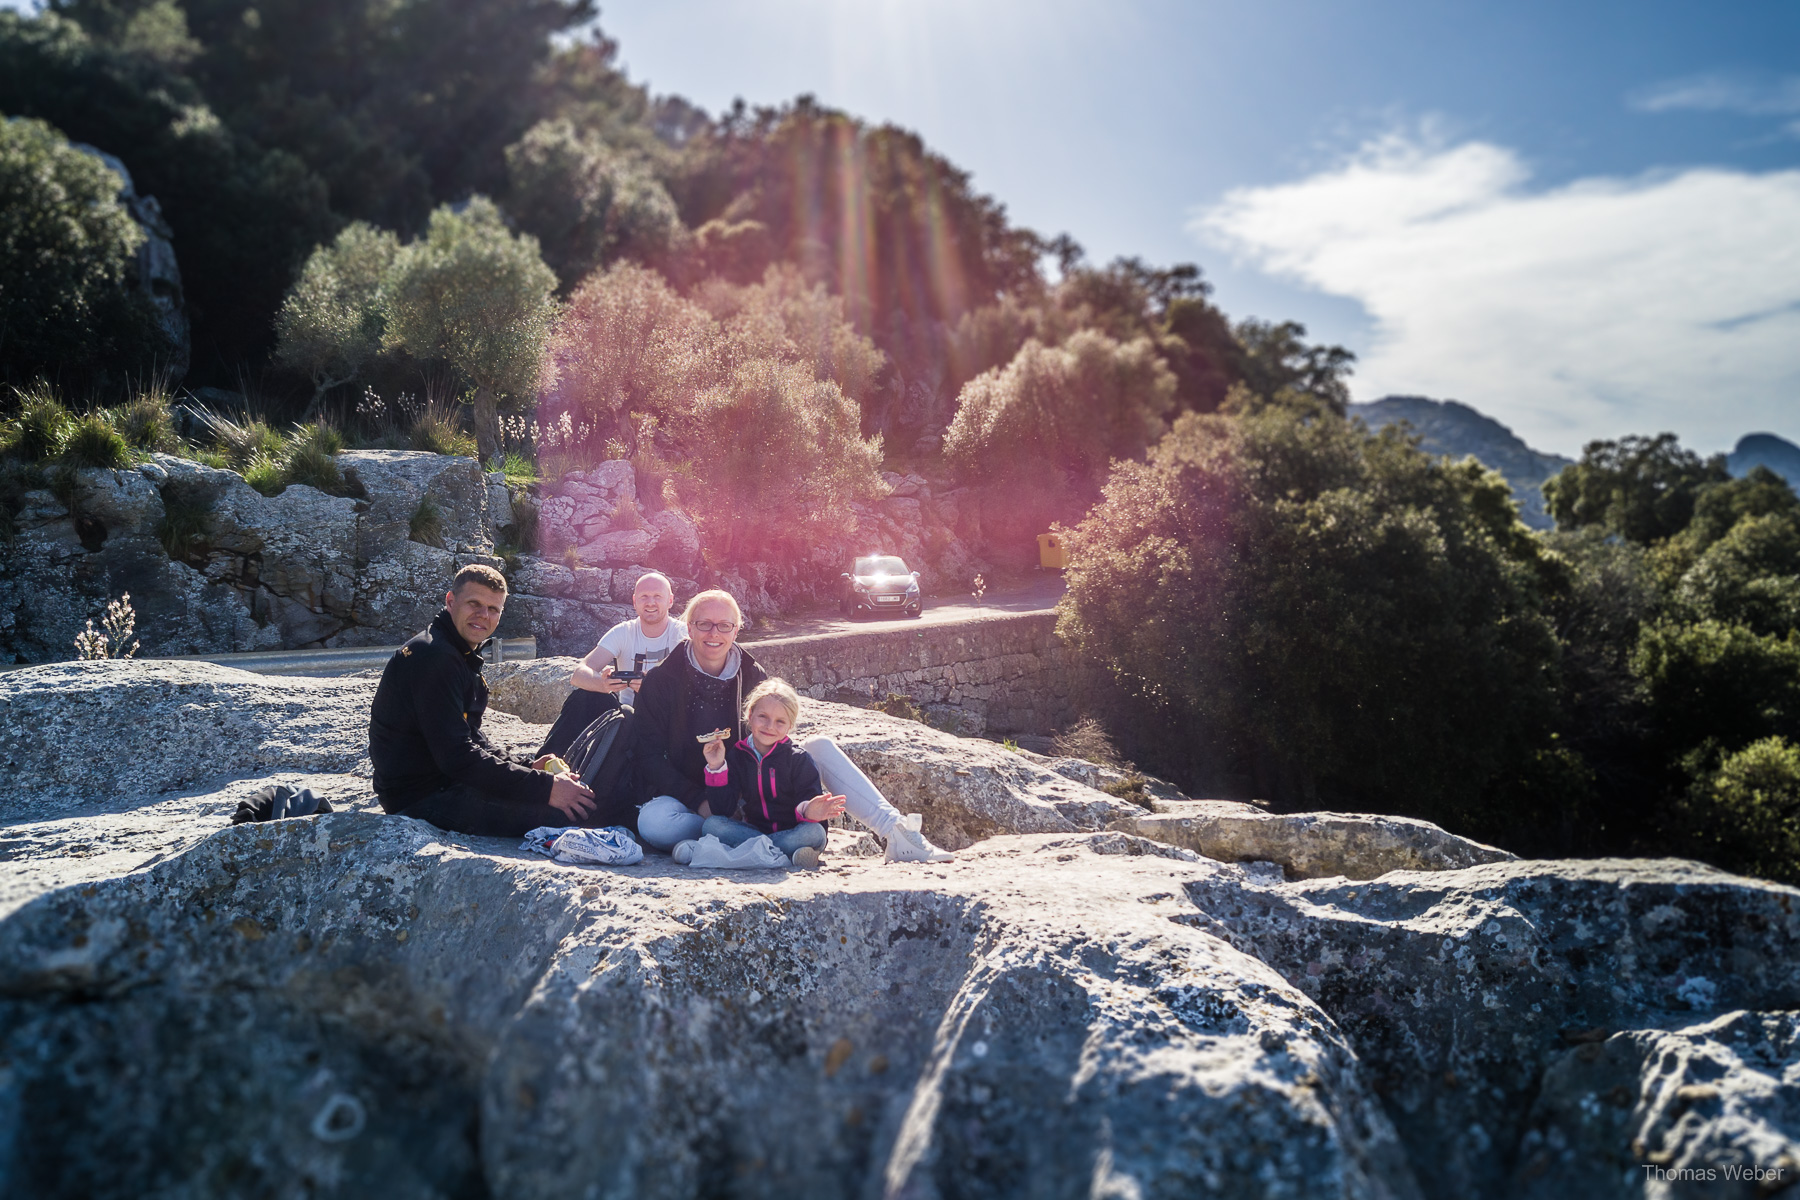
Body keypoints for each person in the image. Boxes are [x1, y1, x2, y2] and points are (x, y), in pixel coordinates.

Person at [631, 589, 954, 862]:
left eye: (724, 625)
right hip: (694, 800)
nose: (714, 634)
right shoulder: (662, 680)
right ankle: (766, 847)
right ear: (689, 627)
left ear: (736, 630)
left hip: (749, 793)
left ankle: (897, 834)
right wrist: (699, 800)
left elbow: (774, 738)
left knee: (820, 746)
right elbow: (647, 754)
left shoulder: (752, 675)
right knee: (653, 823)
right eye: (704, 624)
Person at [370, 564, 596, 837]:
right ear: (451, 601)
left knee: (564, 806)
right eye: (474, 604)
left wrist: (526, 766)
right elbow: (457, 757)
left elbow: (470, 738)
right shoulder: (435, 657)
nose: (483, 615)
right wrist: (545, 788)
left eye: (493, 609)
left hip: (442, 783)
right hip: (421, 798)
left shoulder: (453, 650)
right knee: (565, 816)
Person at [681, 678, 846, 870]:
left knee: (815, 833)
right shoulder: (737, 755)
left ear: (789, 725)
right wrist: (717, 766)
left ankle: (754, 853)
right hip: (753, 831)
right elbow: (722, 810)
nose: (769, 726)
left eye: (780, 721)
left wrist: (810, 810)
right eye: (763, 717)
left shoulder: (798, 759)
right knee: (713, 825)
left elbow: (808, 800)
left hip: (792, 832)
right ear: (750, 715)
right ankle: (784, 854)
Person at [538, 571, 684, 756]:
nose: (650, 603)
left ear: (670, 600)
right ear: (634, 601)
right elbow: (579, 674)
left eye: (658, 597)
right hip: (628, 716)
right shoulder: (623, 632)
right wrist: (603, 684)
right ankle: (548, 764)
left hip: (666, 718)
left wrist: (653, 689)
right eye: (644, 597)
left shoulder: (682, 635)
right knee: (584, 697)